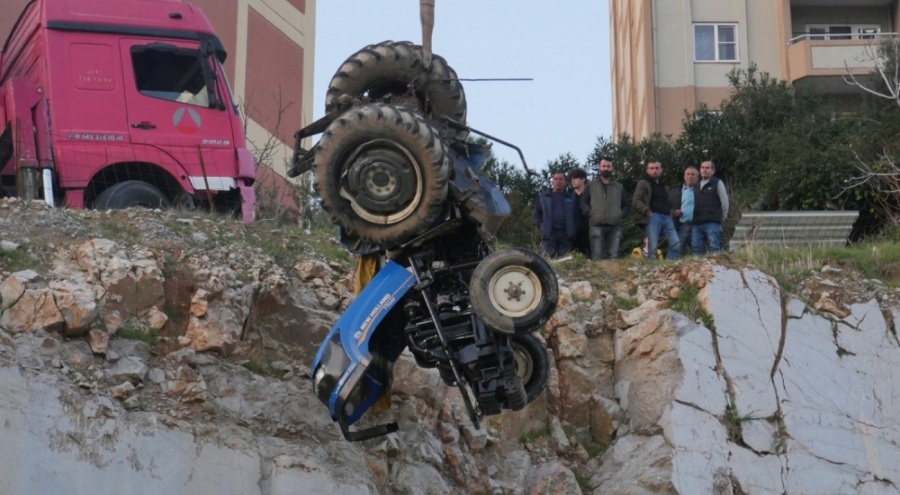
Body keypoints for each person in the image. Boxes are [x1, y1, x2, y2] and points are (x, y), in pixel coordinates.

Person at [580, 157, 629, 260]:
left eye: (608, 166)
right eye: (604, 166)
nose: (606, 168)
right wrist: (590, 213)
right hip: (596, 224)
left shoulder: (619, 187)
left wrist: (620, 214)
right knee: (597, 258)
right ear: (599, 167)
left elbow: (625, 205)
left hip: (615, 225)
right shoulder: (591, 185)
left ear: (612, 168)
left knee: (614, 258)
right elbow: (583, 202)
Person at [632, 160, 679, 260]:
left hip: (667, 217)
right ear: (647, 170)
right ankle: (652, 272)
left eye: (657, 168)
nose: (654, 170)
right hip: (653, 217)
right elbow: (636, 200)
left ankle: (668, 267)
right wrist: (649, 213)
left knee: (676, 245)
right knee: (652, 248)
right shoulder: (643, 183)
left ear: (661, 170)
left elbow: (668, 204)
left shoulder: (665, 186)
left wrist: (672, 213)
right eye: (652, 168)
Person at [533, 171, 577, 258]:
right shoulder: (544, 196)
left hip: (566, 234)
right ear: (552, 181)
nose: (558, 181)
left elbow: (576, 216)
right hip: (549, 234)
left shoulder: (571, 198)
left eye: (561, 179)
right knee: (547, 260)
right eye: (555, 179)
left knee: (565, 260)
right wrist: (542, 226)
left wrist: (573, 228)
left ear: (565, 182)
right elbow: (536, 214)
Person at [692, 160, 730, 254]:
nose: (704, 170)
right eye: (702, 167)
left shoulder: (717, 183)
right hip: (697, 222)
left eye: (707, 168)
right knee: (696, 248)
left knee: (714, 247)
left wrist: (723, 218)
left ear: (713, 171)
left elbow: (724, 202)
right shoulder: (696, 184)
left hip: (712, 222)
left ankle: (716, 267)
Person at [668, 166, 698, 258]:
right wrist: (674, 212)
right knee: (675, 251)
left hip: (697, 226)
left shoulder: (702, 190)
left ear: (697, 177)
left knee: (698, 253)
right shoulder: (674, 191)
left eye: (693, 174)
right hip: (680, 225)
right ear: (684, 176)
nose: (690, 176)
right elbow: (666, 208)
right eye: (688, 174)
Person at [568, 168, 590, 258]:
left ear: (583, 179)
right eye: (571, 178)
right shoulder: (568, 197)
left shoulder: (591, 196)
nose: (573, 180)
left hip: (588, 232)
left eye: (575, 178)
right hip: (573, 234)